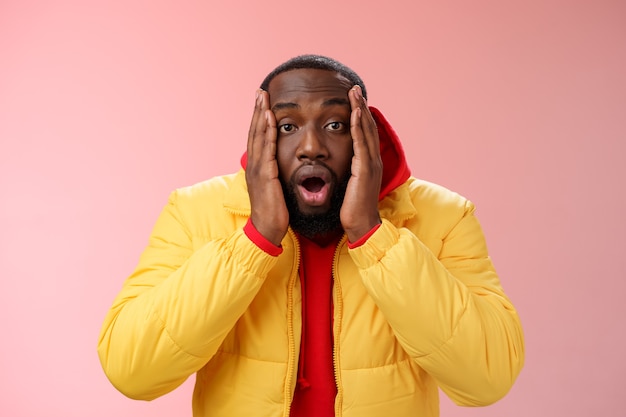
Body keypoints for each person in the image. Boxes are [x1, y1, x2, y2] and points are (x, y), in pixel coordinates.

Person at [98, 54, 525, 417]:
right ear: (260, 134)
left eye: (336, 125)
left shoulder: (444, 217)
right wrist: (255, 239)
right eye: (287, 127)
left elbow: (488, 379)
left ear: (366, 135)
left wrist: (373, 235)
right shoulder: (194, 211)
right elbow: (131, 371)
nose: (311, 147)